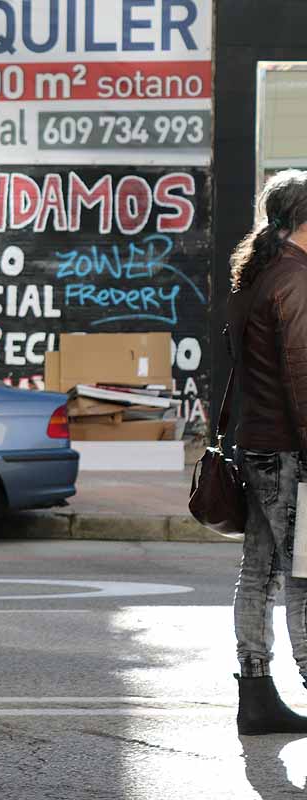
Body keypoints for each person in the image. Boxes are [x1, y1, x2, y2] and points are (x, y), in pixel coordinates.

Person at [228, 169, 307, 735]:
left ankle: (255, 696)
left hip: (256, 442)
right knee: (305, 574)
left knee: (258, 571)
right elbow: (302, 376)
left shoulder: (254, 272)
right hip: (288, 447)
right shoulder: (295, 277)